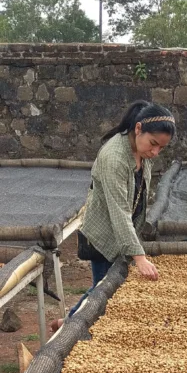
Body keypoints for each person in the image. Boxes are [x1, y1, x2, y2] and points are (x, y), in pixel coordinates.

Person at [51, 100, 176, 331]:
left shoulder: (141, 153)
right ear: (138, 129)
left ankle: (66, 322)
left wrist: (135, 245)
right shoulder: (114, 157)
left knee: (103, 288)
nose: (156, 152)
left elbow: (136, 200)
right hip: (103, 236)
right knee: (103, 292)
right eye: (153, 144)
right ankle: (70, 327)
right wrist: (139, 257)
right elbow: (119, 211)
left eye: (161, 148)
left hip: (124, 234)